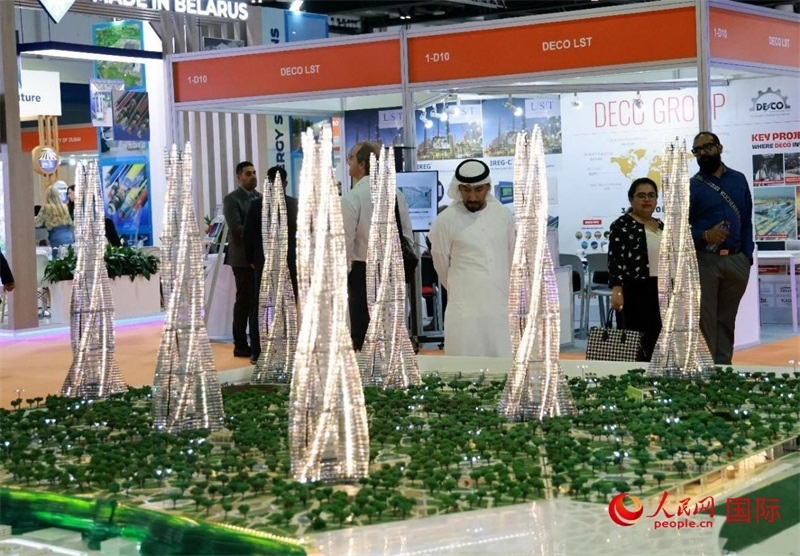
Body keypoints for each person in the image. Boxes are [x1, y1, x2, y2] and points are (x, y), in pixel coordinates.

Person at [428, 159, 515, 357]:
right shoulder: (446, 220)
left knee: (501, 361)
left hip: (498, 306)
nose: (472, 197)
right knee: (464, 363)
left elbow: (510, 257)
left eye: (478, 190)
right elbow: (441, 263)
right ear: (458, 188)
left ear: (488, 187)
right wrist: (462, 288)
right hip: (464, 310)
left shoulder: (503, 216)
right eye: (466, 190)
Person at [689, 131, 754, 365]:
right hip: (706, 260)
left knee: (727, 319)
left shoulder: (738, 179)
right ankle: (707, 371)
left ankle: (724, 368)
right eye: (697, 150)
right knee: (706, 321)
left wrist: (747, 256)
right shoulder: (692, 186)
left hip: (736, 260)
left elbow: (746, 221)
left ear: (719, 147)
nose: (703, 153)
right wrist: (705, 235)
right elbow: (680, 230)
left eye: (707, 147)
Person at [341, 141, 414, 351]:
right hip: (393, 270)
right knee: (391, 331)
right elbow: (407, 236)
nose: (348, 163)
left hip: (363, 272)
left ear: (363, 164)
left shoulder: (353, 197)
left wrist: (343, 274)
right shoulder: (395, 193)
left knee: (364, 334)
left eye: (351, 158)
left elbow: (345, 242)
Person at [243, 165, 298, 365]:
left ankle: (258, 351)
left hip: (263, 262)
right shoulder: (294, 205)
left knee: (261, 305)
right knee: (288, 304)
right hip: (289, 261)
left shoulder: (256, 205)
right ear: (285, 183)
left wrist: (251, 259)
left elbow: (247, 235)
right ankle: (288, 348)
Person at [608, 178, 664, 361]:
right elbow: (615, 259)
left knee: (657, 339)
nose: (647, 200)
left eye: (651, 195)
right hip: (634, 290)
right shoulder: (622, 225)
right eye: (641, 195)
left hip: (660, 290)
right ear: (631, 199)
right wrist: (617, 290)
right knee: (634, 342)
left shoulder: (661, 226)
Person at [223, 161, 261, 358]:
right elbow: (236, 229)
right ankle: (239, 344)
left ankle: (255, 341)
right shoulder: (232, 199)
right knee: (244, 301)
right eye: (248, 173)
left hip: (258, 257)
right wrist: (258, 233)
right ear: (239, 177)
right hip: (241, 258)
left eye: (254, 172)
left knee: (257, 302)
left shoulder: (260, 197)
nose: (253, 176)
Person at [34, 182, 75, 257]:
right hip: (69, 236)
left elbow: (37, 223)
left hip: (56, 237)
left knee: (56, 260)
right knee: (68, 258)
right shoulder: (64, 207)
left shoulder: (46, 208)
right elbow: (70, 222)